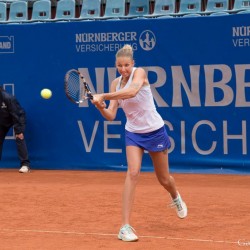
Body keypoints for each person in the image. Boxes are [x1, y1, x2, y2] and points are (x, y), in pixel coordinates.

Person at [92, 44, 187, 242]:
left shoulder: (140, 73)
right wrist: (101, 106)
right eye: (119, 66)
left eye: (126, 65)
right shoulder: (115, 83)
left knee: (164, 180)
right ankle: (124, 227)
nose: (123, 69)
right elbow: (111, 115)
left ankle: (175, 196)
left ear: (133, 63)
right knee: (133, 173)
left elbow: (132, 92)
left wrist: (104, 96)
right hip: (133, 133)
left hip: (154, 131)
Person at [0, 86, 31, 173]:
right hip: (2, 120)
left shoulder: (8, 98)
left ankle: (25, 165)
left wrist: (18, 130)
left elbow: (16, 114)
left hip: (17, 117)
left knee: (19, 136)